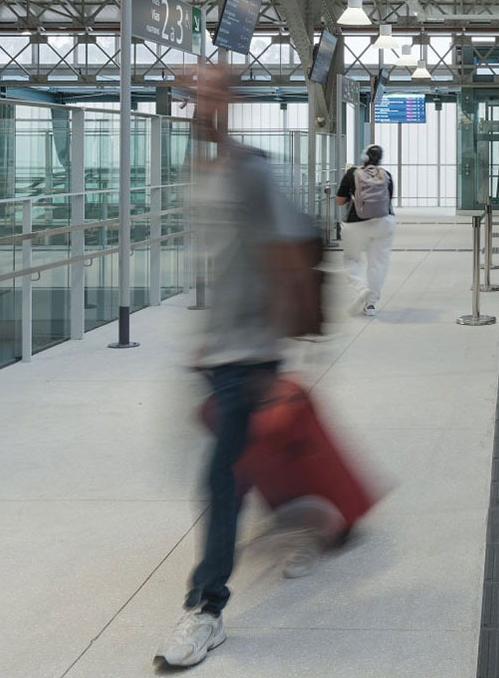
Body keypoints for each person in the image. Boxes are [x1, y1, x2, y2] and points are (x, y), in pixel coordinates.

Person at [159, 66, 318, 670]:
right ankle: (306, 520)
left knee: (219, 477)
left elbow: (287, 262)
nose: (198, 104)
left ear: (231, 101)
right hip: (216, 348)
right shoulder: (197, 173)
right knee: (245, 463)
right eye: (191, 95)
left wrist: (277, 359)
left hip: (250, 353)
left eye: (210, 93)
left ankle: (206, 608)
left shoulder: (253, 172)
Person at [335, 143, 395, 318]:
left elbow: (340, 201)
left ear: (363, 157)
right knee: (378, 264)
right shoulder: (386, 176)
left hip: (356, 224)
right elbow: (388, 201)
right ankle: (371, 305)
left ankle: (362, 289)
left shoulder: (352, 173)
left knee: (351, 259)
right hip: (384, 223)